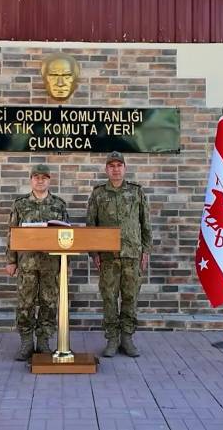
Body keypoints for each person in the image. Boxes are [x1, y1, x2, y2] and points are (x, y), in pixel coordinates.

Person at [86, 151, 151, 358]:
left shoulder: (136, 192)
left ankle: (127, 338)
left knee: (130, 297)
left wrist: (146, 250)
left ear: (125, 168)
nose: (115, 169)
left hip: (132, 254)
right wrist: (94, 252)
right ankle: (112, 339)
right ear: (106, 169)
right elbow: (91, 225)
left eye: (119, 165)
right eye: (111, 165)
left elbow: (145, 223)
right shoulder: (98, 194)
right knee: (109, 298)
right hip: (108, 257)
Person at [5, 164, 70, 361]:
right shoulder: (20, 204)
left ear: (49, 180)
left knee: (49, 303)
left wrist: (66, 264)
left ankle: (43, 341)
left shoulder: (59, 205)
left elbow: (68, 236)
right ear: (31, 180)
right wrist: (11, 261)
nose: (40, 180)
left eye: (44, 177)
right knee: (25, 303)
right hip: (27, 264)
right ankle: (26, 343)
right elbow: (12, 234)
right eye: (36, 177)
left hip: (51, 265)